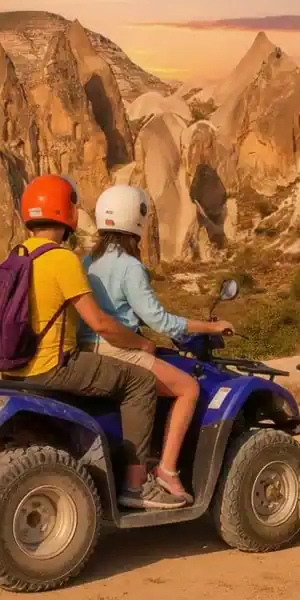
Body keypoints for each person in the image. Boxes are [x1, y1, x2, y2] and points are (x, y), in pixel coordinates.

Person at [14, 174, 177, 511]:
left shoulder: (17, 256)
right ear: (67, 214)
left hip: (14, 367)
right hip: (51, 366)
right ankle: (137, 485)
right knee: (140, 381)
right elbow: (101, 323)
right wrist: (143, 345)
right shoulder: (62, 258)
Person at [79, 184, 235, 503]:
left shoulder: (86, 262)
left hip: (85, 349)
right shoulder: (130, 266)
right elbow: (159, 321)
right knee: (188, 388)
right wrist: (210, 325)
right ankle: (166, 471)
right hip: (117, 349)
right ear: (137, 222)